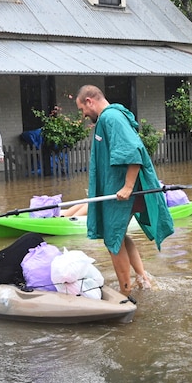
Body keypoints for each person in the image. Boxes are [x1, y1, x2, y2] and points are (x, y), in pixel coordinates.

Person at [75, 85, 174, 294]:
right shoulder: (107, 119)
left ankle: (125, 291)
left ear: (89, 101)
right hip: (118, 190)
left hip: (124, 192)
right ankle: (143, 279)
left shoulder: (111, 118)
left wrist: (128, 186)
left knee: (113, 238)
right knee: (119, 234)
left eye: (82, 109)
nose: (83, 115)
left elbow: (133, 151)